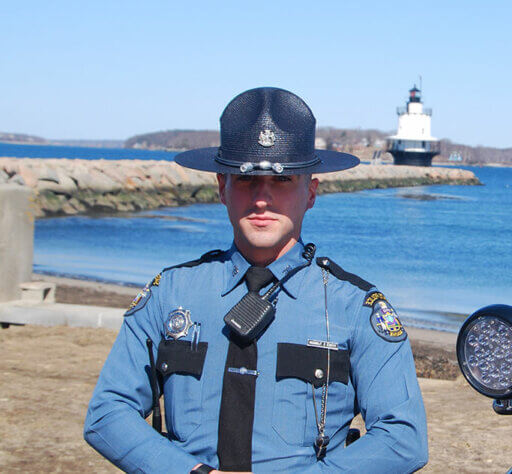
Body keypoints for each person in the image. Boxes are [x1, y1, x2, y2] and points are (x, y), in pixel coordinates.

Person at [84, 87, 429, 473]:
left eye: (282, 182)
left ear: (311, 192)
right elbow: (107, 413)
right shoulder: (172, 294)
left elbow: (403, 438)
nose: (262, 198)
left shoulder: (354, 307)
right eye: (246, 180)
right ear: (221, 188)